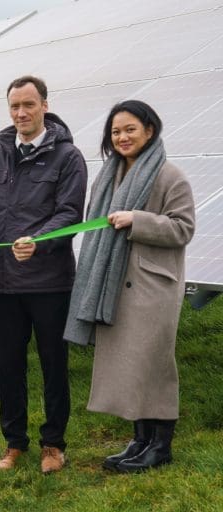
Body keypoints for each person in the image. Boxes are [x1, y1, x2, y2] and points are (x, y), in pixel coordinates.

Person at [64, 100, 195, 473]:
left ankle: (160, 445)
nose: (122, 137)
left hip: (152, 286)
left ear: (149, 131)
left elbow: (183, 228)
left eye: (130, 129)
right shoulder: (110, 176)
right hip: (114, 283)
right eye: (116, 131)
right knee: (130, 366)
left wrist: (137, 220)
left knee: (153, 364)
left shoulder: (171, 176)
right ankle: (139, 440)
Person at [0, 75, 86, 474]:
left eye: (29, 105)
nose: (21, 113)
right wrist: (14, 244)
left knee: (52, 363)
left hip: (50, 280)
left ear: (45, 105)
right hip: (4, 280)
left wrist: (38, 241)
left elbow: (69, 214)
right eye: (14, 106)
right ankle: (14, 443)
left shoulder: (68, 157)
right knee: (8, 364)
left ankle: (53, 444)